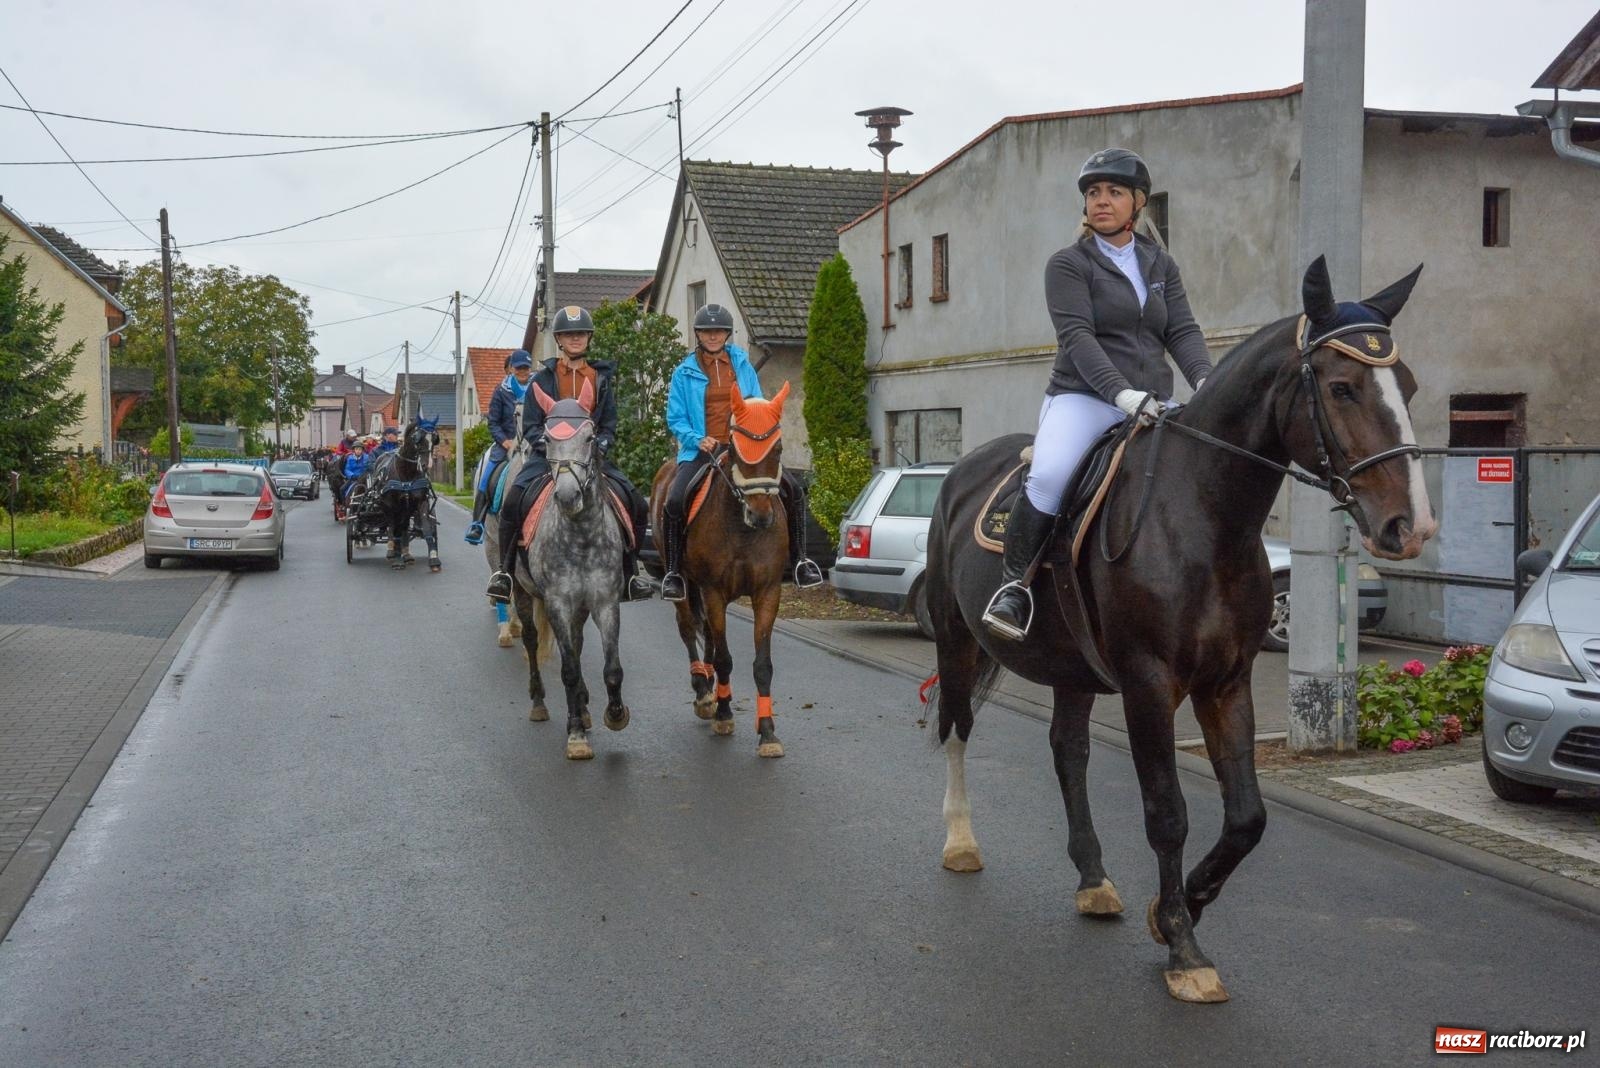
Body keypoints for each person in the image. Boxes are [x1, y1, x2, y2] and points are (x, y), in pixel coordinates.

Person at [982, 148, 1212, 641]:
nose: (1101, 201)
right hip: (1083, 398)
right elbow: (1078, 338)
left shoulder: (1160, 264)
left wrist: (1205, 381)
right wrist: (1121, 395)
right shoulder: (1068, 264)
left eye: (1113, 192)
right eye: (1093, 193)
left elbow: (1183, 331)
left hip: (1153, 400)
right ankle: (1013, 588)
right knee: (1049, 475)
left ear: (1138, 203)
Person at [486, 307, 655, 604]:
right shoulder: (541, 380)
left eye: (580, 334)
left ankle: (630, 574)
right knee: (512, 501)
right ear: (559, 340)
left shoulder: (601, 379)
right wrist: (551, 447)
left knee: (637, 503)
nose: (575, 339)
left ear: (588, 338)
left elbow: (609, 423)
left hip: (590, 458)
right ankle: (505, 573)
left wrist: (600, 444)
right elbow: (531, 425)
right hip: (548, 458)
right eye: (568, 334)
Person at [658, 303, 824, 603]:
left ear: (727, 334)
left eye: (718, 331)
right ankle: (673, 571)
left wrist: (758, 434)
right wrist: (697, 439)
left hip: (745, 447)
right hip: (704, 449)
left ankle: (801, 562)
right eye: (707, 331)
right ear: (698, 334)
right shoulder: (683, 373)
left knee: (795, 490)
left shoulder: (742, 364)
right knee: (674, 499)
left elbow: (756, 404)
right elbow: (675, 417)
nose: (713, 336)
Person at [465, 350, 533, 545]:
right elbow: (493, 422)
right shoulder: (501, 391)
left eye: (526, 367)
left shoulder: (537, 387)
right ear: (511, 368)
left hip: (534, 442)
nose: (522, 371)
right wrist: (505, 442)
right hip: (506, 444)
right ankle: (477, 523)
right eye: (519, 367)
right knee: (487, 477)